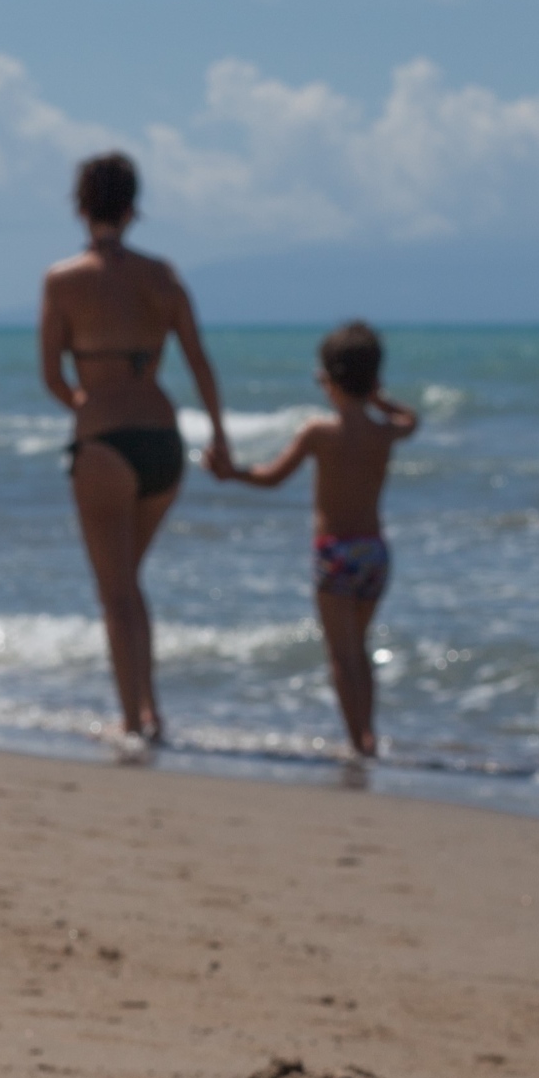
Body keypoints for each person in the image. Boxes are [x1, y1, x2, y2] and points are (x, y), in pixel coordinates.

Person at [39, 151, 228, 745]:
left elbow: (50, 374)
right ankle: (150, 709)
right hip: (163, 442)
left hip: (104, 444)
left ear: (79, 204)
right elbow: (199, 362)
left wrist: (86, 407)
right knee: (130, 582)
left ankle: (133, 720)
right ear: (133, 206)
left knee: (116, 590)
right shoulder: (162, 276)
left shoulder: (64, 280)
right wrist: (219, 436)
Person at [211, 322, 418, 759]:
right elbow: (410, 420)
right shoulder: (383, 432)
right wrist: (378, 398)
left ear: (329, 379)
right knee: (359, 649)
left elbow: (272, 477)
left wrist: (233, 473)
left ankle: (357, 741)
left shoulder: (319, 432)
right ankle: (370, 734)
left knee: (340, 656)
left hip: (335, 552)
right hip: (374, 553)